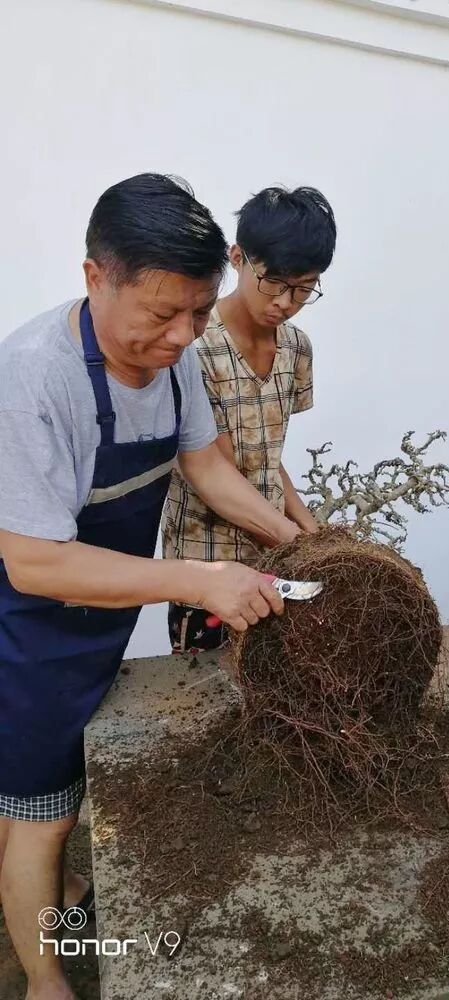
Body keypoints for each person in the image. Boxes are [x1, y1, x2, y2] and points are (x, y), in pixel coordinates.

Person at [0, 174, 301, 1000]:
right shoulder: (33, 379)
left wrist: (303, 542)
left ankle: (56, 900)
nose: (182, 335)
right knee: (41, 815)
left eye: (199, 314)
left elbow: (206, 466)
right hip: (25, 631)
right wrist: (202, 579)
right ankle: (42, 981)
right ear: (97, 275)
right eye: (161, 314)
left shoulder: (175, 364)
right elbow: (35, 562)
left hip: (97, 618)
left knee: (67, 791)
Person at [162, 186, 336, 654]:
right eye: (274, 282)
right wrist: (299, 547)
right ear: (237, 258)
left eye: (304, 288)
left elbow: (266, 458)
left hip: (278, 560)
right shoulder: (193, 348)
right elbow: (212, 468)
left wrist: (319, 539)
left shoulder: (297, 348)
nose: (285, 301)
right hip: (208, 565)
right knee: (207, 700)